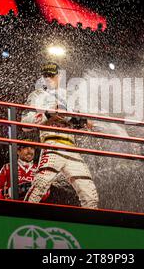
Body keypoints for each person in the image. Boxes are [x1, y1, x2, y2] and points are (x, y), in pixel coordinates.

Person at [21, 62, 99, 209]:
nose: (48, 79)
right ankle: (20, 220)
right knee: (40, 185)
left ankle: (89, 229)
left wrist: (84, 123)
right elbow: (25, 124)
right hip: (52, 145)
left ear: (60, 76)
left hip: (72, 149)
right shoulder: (37, 95)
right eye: (45, 76)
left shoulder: (70, 95)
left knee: (90, 195)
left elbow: (83, 124)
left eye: (51, 75)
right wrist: (48, 114)